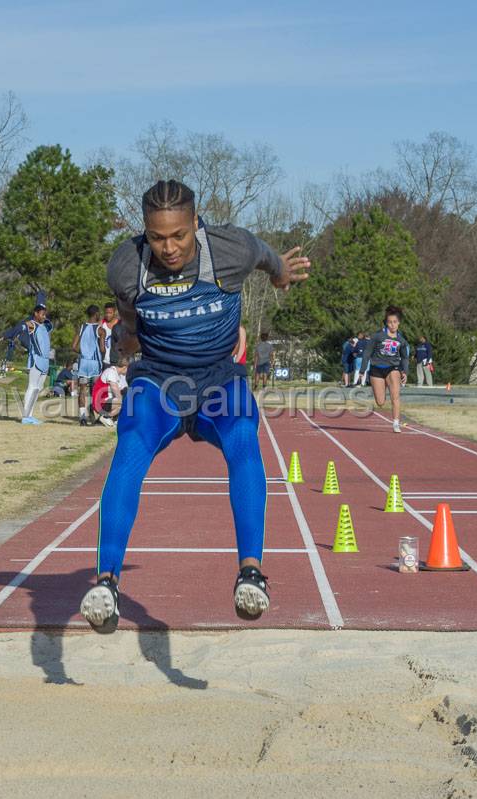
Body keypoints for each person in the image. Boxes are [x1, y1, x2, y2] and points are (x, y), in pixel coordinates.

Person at [79, 179, 309, 630]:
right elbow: (129, 318)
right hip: (159, 382)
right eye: (158, 237)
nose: (168, 248)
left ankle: (251, 574)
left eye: (178, 236)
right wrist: (128, 337)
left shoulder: (229, 249)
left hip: (218, 380)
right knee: (129, 447)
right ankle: (106, 581)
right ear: (145, 231)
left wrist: (282, 271)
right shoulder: (126, 265)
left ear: (195, 224)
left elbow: (266, 256)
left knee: (244, 436)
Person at [360, 306, 411, 432]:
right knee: (381, 402)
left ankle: (396, 423)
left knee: (395, 396)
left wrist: (405, 371)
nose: (392, 325)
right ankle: (383, 386)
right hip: (376, 369)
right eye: (389, 322)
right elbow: (367, 352)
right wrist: (362, 370)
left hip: (393, 368)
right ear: (386, 323)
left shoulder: (401, 340)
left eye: (394, 322)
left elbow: (405, 357)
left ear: (398, 322)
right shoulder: (378, 336)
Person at [5, 304, 52, 424]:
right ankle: (26, 416)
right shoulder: (32, 324)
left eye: (44, 313)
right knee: (32, 386)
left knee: (38, 388)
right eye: (41, 313)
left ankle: (30, 415)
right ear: (35, 313)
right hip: (36, 360)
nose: (44, 316)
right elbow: (22, 326)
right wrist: (10, 334)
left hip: (45, 361)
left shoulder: (44, 326)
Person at [73, 305, 106, 426]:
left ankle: (82, 417)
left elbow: (73, 347)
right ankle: (93, 413)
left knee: (82, 390)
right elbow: (102, 349)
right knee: (95, 390)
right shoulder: (100, 330)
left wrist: (83, 353)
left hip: (83, 363)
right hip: (94, 363)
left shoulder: (81, 327)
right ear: (96, 314)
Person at [92, 356, 129, 427]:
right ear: (124, 367)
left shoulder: (121, 376)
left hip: (109, 402)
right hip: (100, 403)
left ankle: (113, 419)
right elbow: (114, 387)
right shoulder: (111, 371)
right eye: (128, 369)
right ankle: (105, 417)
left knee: (127, 396)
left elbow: (125, 389)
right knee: (125, 401)